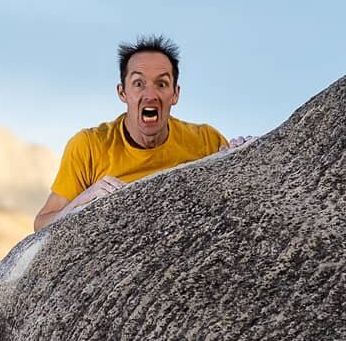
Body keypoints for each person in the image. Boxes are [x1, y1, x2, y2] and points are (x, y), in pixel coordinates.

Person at [34, 35, 251, 231]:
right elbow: (41, 224)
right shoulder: (89, 145)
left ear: (175, 94)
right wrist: (79, 203)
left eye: (162, 84)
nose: (150, 95)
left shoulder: (206, 140)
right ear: (122, 92)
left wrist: (244, 157)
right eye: (139, 83)